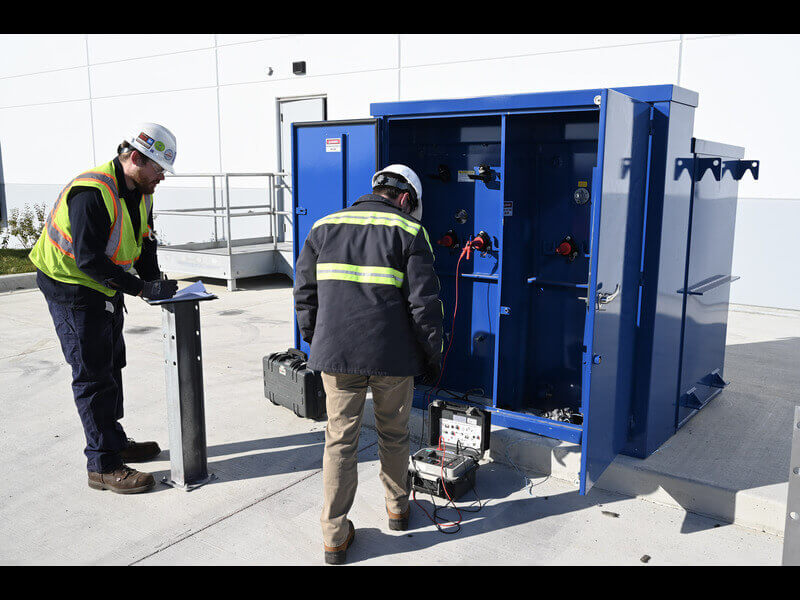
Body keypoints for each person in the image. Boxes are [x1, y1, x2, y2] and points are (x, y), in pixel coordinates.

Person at [294, 164, 443, 564]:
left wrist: (317, 342)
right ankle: (398, 510)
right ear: (406, 198)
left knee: (340, 440)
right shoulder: (410, 230)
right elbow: (424, 307)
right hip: (393, 357)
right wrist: (432, 356)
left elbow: (304, 294)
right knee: (393, 435)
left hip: (337, 356)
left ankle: (334, 537)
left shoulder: (323, 226)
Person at [28, 122, 181, 494]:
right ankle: (103, 465)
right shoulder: (91, 193)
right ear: (135, 158)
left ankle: (114, 441)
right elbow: (88, 259)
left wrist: (154, 281)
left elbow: (144, 240)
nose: (161, 177)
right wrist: (139, 288)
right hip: (72, 287)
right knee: (93, 374)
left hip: (105, 285)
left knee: (112, 364)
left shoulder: (141, 192)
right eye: (158, 168)